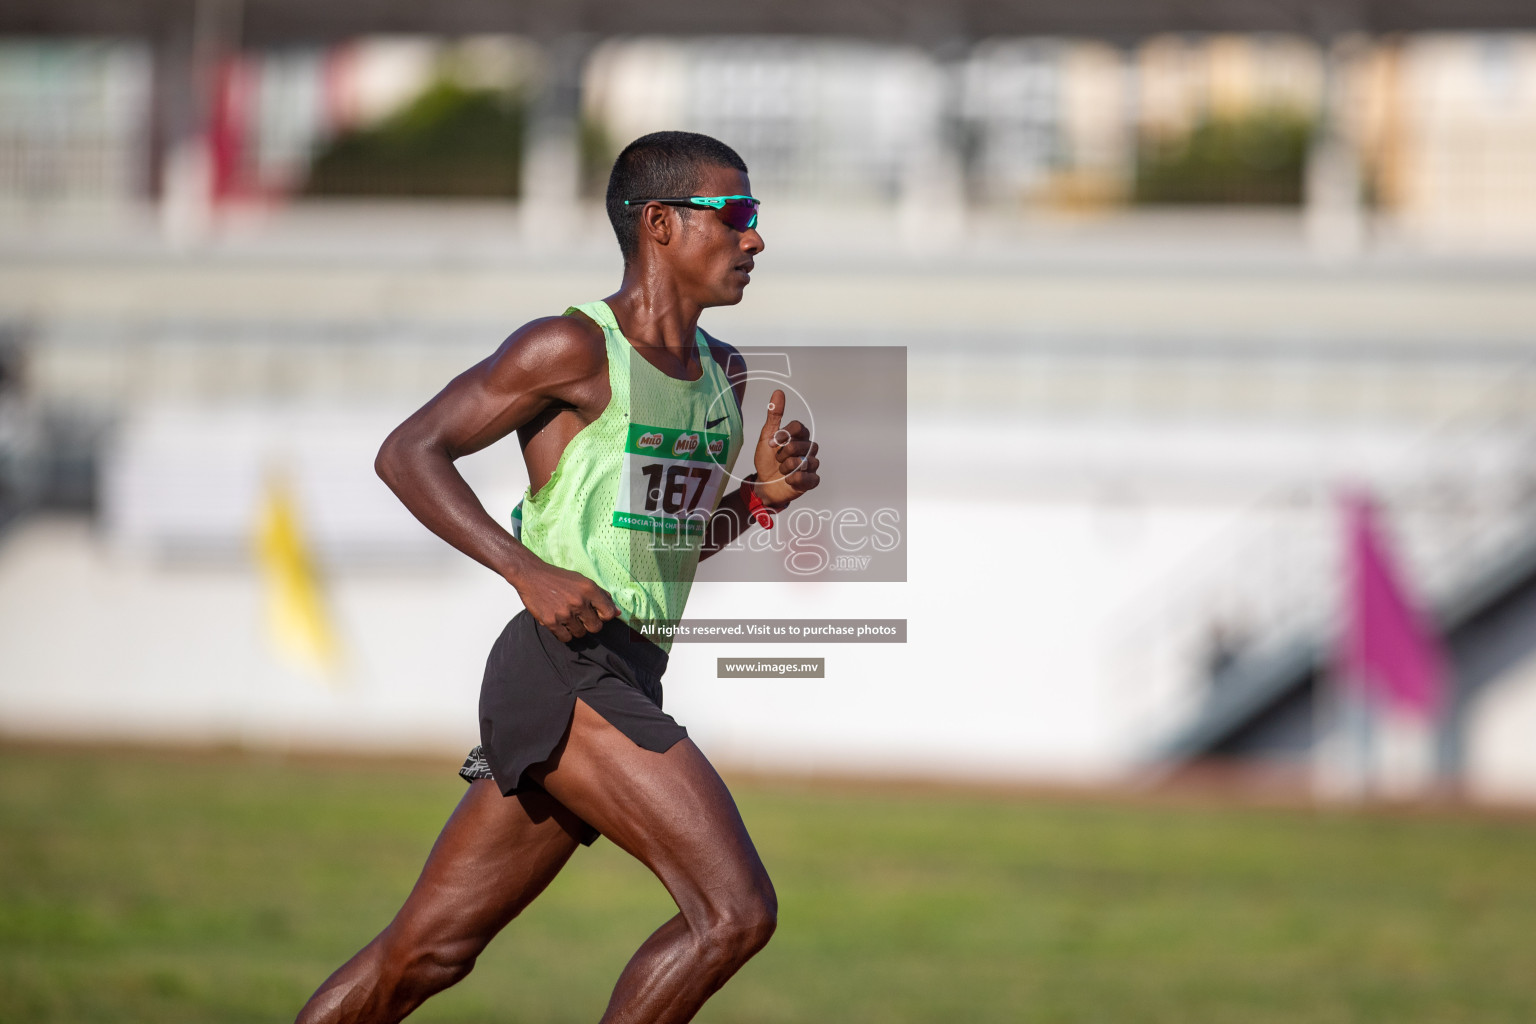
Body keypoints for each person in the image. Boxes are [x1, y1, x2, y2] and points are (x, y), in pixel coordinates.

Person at [295, 131, 821, 1024]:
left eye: (755, 217)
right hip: (562, 665)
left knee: (423, 957)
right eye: (735, 215)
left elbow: (665, 545)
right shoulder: (570, 347)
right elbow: (407, 452)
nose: (755, 239)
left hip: (626, 669)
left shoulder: (724, 375)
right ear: (660, 223)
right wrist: (524, 570)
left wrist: (760, 500)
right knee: (732, 914)